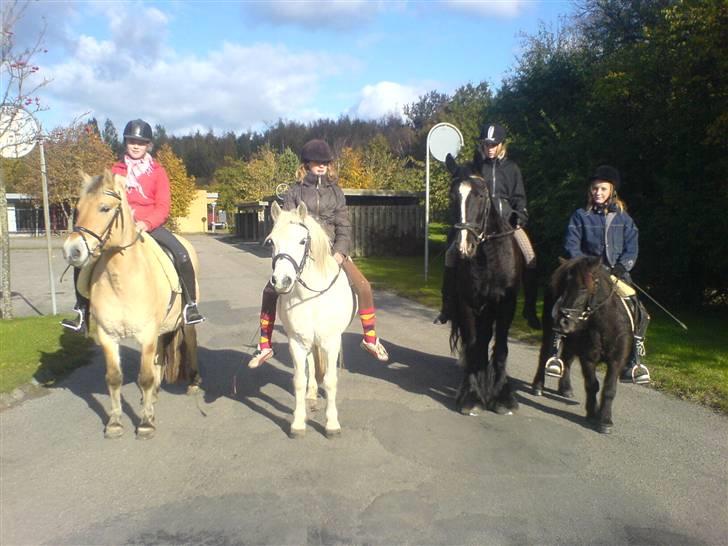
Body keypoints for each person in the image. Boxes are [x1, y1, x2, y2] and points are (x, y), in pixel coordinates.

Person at [248, 138, 389, 367]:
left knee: (363, 286)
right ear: (306, 165)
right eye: (316, 162)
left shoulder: (336, 192)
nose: (321, 166)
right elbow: (285, 224)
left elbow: (344, 226)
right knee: (270, 290)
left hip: (332, 250)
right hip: (300, 253)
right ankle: (265, 344)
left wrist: (340, 252)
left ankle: (370, 338)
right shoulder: (294, 193)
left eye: (325, 162)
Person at [61, 118, 204, 332]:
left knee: (181, 254)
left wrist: (147, 223)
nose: (136, 145)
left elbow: (163, 205)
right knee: (83, 260)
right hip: (118, 228)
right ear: (125, 143)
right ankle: (82, 311)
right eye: (131, 141)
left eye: (141, 142)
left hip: (150, 225)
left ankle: (190, 306)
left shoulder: (158, 171)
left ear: (148, 145)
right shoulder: (114, 170)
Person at [435, 123, 540, 328]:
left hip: (507, 224)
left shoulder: (512, 169)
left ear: (501, 145)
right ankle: (447, 305)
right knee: (450, 254)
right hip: (478, 224)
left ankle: (529, 309)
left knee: (530, 257)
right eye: (486, 144)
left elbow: (519, 197)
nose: (489, 148)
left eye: (494, 144)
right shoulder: (477, 167)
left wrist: (520, 216)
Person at [562, 165, 650, 383]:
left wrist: (623, 266)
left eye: (602, 189)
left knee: (639, 310)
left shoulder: (624, 219)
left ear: (612, 191)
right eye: (594, 189)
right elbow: (571, 244)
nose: (598, 193)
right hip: (586, 272)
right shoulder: (580, 216)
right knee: (563, 302)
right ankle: (555, 352)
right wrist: (584, 264)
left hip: (615, 275)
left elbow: (632, 247)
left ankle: (634, 361)